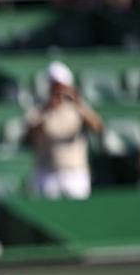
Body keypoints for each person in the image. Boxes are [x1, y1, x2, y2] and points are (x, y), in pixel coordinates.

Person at [26, 61, 103, 200]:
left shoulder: (78, 106)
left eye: (61, 85)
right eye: (54, 85)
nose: (58, 89)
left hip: (75, 172)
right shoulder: (40, 107)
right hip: (48, 172)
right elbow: (28, 133)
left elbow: (98, 127)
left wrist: (78, 103)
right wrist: (48, 107)